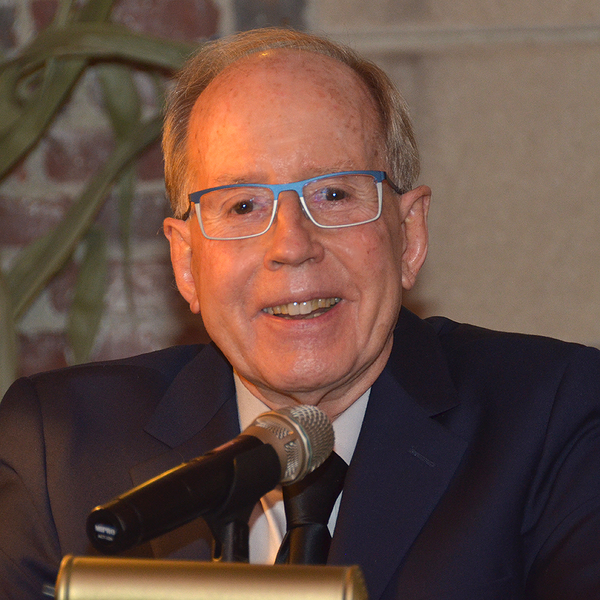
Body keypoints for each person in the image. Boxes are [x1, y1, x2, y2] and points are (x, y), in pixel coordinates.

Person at [1, 27, 600, 600]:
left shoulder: (556, 419)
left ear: (409, 236)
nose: (291, 244)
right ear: (186, 262)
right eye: (241, 205)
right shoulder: (56, 449)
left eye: (334, 194)